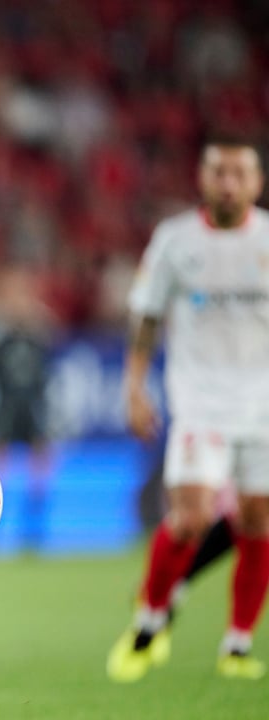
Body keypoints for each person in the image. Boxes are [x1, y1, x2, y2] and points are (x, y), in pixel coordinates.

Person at [107, 138, 269, 683]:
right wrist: (134, 387)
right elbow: (147, 317)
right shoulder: (175, 241)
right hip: (200, 404)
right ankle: (150, 621)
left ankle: (237, 645)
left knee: (258, 521)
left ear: (257, 182)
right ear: (202, 178)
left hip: (263, 406)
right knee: (192, 518)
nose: (228, 183)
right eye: (218, 171)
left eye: (239, 173)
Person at [0, 267, 56, 552]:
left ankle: (33, 524)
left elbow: (47, 372)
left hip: (32, 407)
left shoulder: (38, 334)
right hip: (7, 407)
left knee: (41, 461)